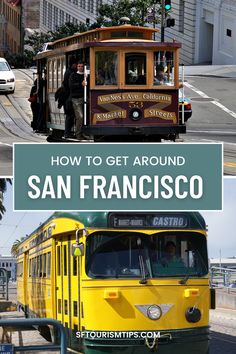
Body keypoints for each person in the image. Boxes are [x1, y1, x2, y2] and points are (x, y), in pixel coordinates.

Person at [69, 62, 90, 140]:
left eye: (82, 66)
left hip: (85, 98)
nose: (80, 67)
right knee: (80, 117)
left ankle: (84, 133)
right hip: (76, 99)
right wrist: (80, 84)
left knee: (87, 116)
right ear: (77, 67)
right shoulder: (73, 75)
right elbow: (71, 86)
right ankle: (78, 134)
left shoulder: (86, 76)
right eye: (79, 66)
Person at [62, 61, 76, 138]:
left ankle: (68, 132)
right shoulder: (70, 73)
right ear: (73, 64)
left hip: (68, 97)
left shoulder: (68, 71)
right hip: (68, 97)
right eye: (76, 64)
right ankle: (67, 133)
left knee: (70, 115)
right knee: (70, 115)